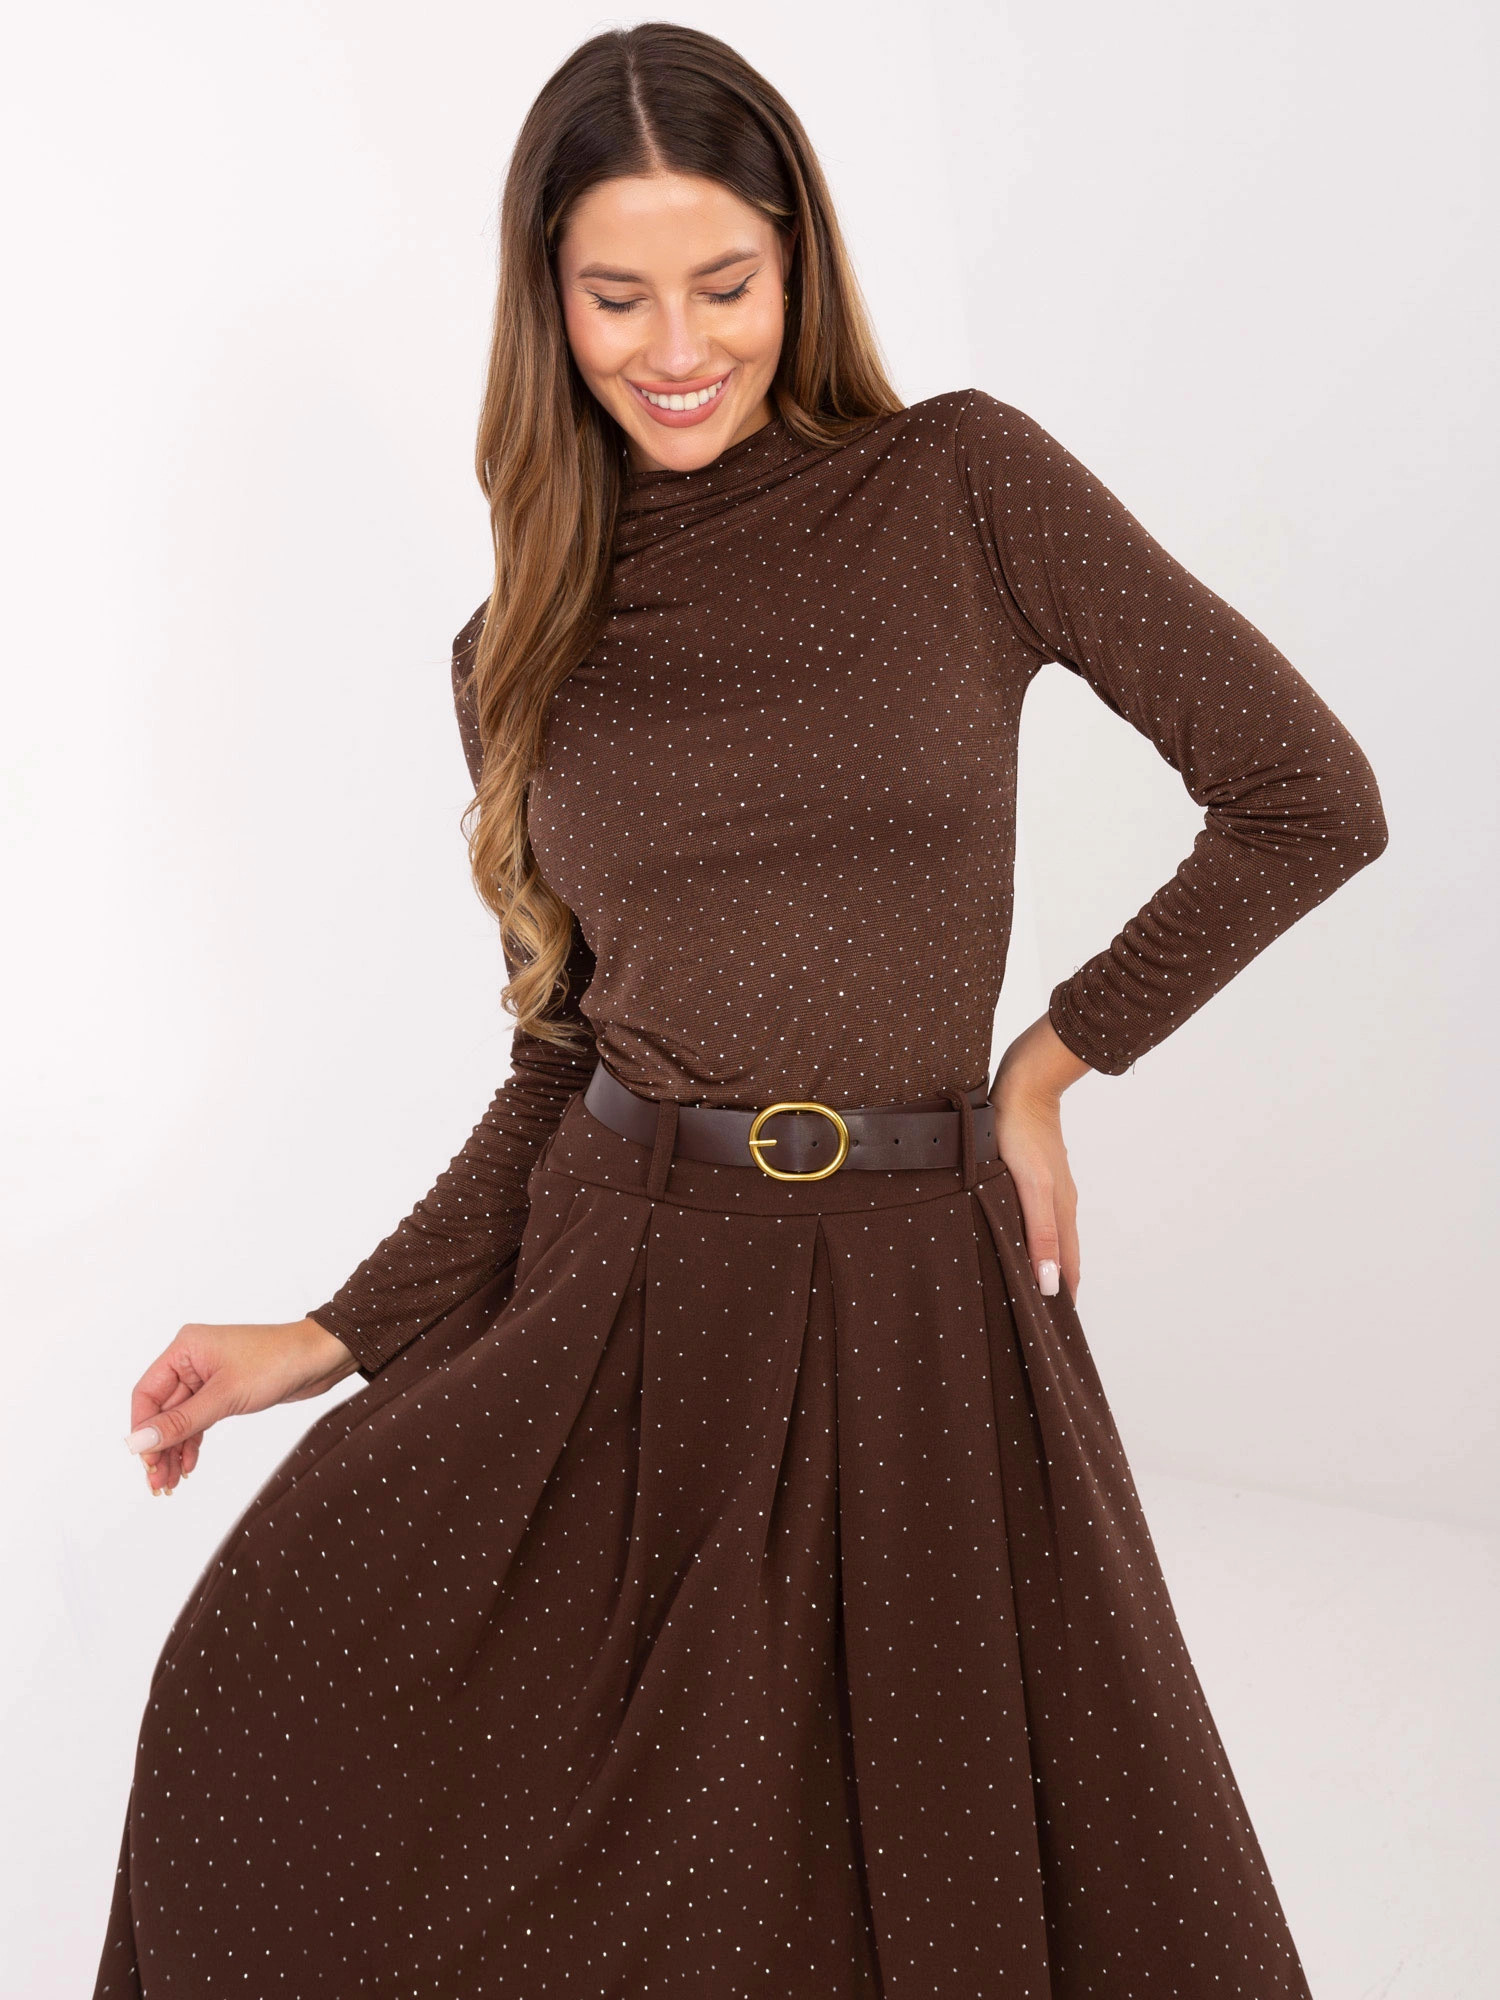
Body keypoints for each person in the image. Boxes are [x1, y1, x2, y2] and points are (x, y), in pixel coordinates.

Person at [94, 22, 1387, 1998]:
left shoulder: (962, 484)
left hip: (912, 1302)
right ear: (547, 302)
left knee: (918, 1892)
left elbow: (1306, 797)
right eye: (617, 295)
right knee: (268, 1687)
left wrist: (1049, 1064)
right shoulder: (517, 645)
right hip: (622, 1301)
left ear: (800, 265)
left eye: (726, 284)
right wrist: (333, 1335)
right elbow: (559, 1058)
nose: (677, 345)